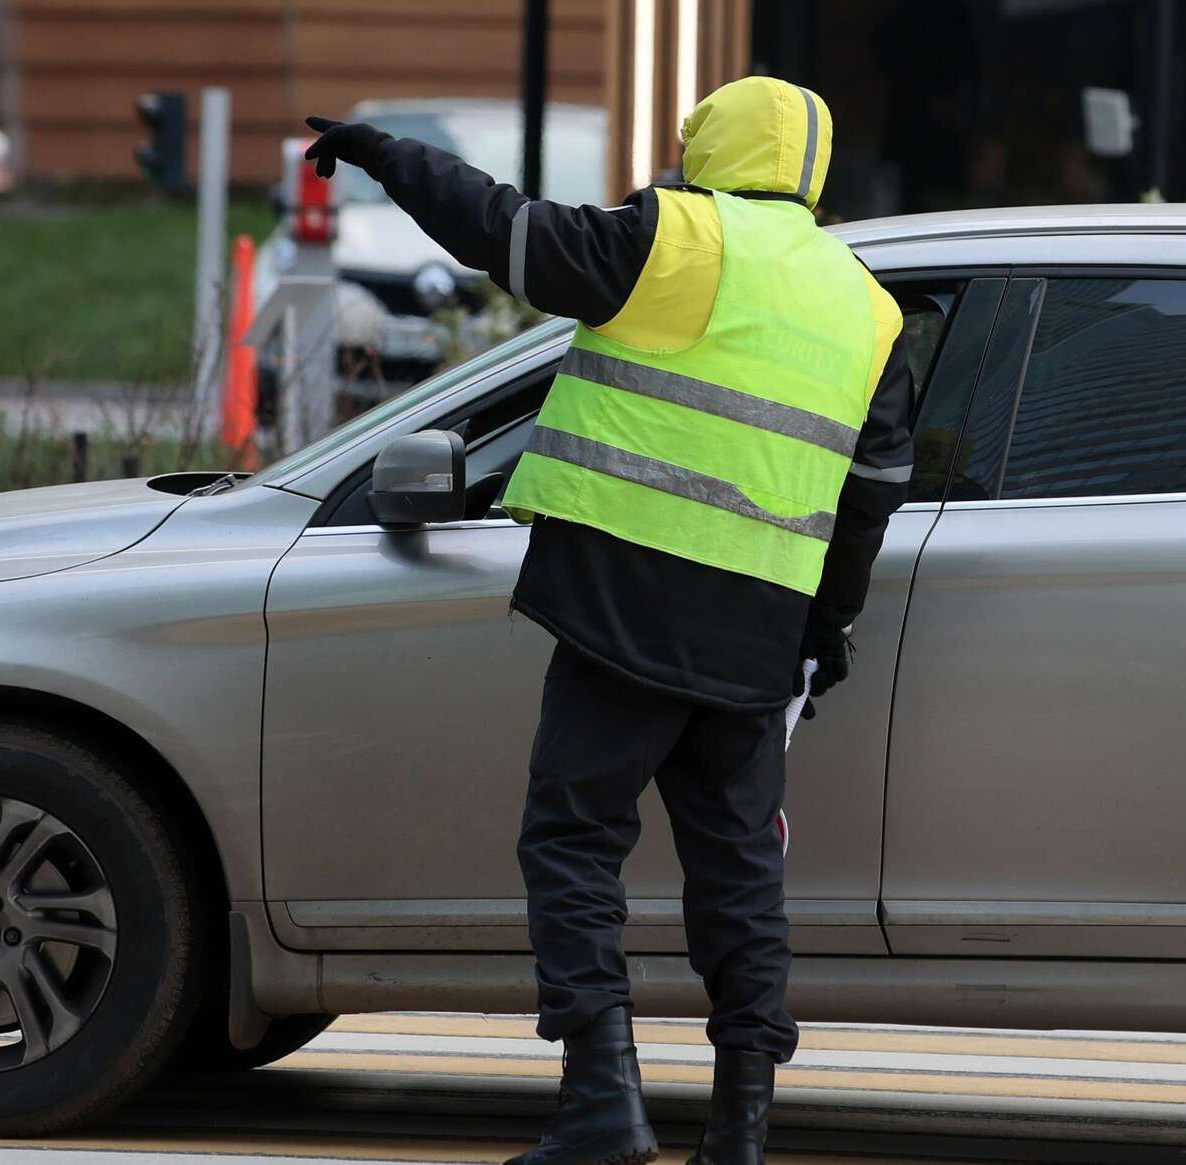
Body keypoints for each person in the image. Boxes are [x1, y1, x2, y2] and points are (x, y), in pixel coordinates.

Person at [305, 74, 914, 1165]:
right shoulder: (865, 306)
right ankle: (738, 1130)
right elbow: (871, 495)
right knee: (738, 873)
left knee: (575, 836)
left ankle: (599, 1100)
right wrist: (821, 634)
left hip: (630, 598)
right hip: (757, 628)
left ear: (712, 145)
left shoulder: (672, 238)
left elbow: (505, 232)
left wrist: (389, 154)